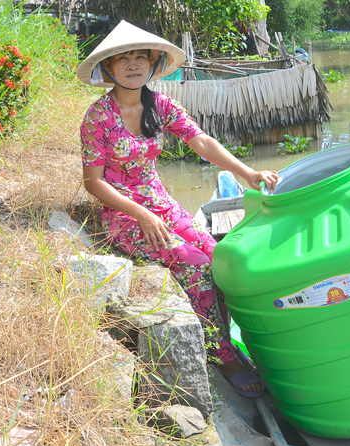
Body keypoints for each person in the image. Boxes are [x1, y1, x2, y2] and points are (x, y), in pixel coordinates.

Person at [76, 20, 278, 397]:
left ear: (152, 65)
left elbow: (200, 141)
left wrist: (246, 171)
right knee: (195, 264)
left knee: (219, 255)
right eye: (123, 59)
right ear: (108, 69)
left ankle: (229, 333)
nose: (133, 65)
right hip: (125, 213)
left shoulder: (160, 103)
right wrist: (141, 214)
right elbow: (94, 182)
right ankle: (222, 354)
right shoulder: (98, 117)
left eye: (140, 57)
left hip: (160, 201)